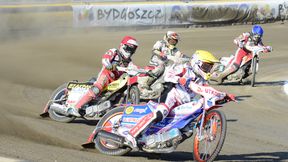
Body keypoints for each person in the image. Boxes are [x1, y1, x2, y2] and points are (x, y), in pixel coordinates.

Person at [123, 50, 224, 149]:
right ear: (196, 62)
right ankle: (131, 134)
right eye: (206, 66)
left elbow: (207, 92)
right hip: (171, 96)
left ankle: (161, 144)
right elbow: (168, 75)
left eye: (209, 67)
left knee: (187, 130)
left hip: (183, 105)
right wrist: (180, 79)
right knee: (162, 111)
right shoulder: (184, 69)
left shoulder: (201, 80)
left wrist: (222, 96)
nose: (207, 69)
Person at [67, 36, 139, 117]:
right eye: (129, 48)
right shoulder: (114, 52)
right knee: (97, 88)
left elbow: (135, 69)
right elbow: (105, 59)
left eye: (133, 49)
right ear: (123, 46)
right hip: (106, 76)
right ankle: (75, 107)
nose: (130, 51)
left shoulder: (129, 62)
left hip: (115, 82)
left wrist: (146, 71)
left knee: (121, 93)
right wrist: (110, 65)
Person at [139, 31, 183, 97]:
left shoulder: (174, 49)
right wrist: (160, 53)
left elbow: (179, 54)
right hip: (155, 65)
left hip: (166, 66)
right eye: (172, 40)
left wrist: (183, 57)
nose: (173, 42)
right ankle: (146, 84)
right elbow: (154, 50)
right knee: (161, 66)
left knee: (176, 70)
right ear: (167, 38)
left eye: (175, 41)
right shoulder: (160, 43)